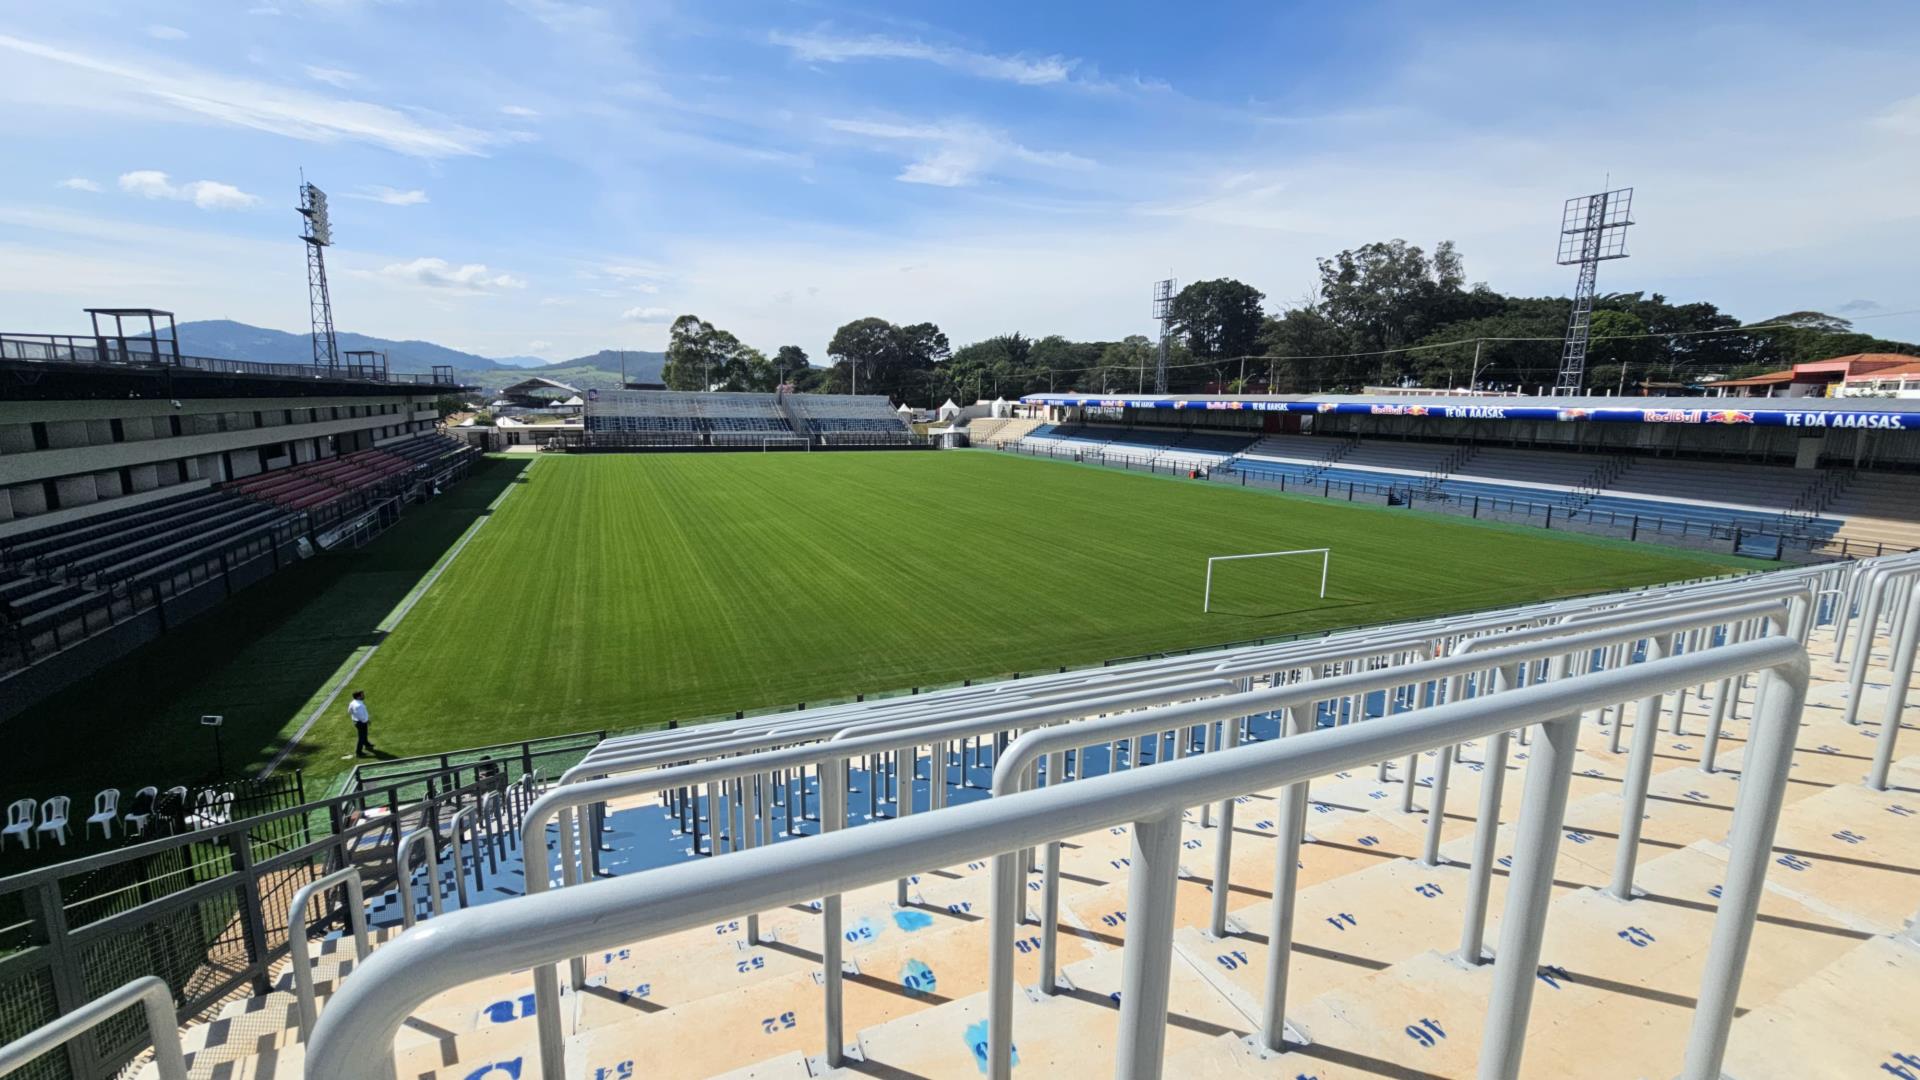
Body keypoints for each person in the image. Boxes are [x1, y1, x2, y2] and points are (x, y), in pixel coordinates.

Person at [348, 690, 374, 756]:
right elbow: (361, 716)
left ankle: (366, 744)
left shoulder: (353, 702)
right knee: (361, 737)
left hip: (357, 721)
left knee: (364, 734)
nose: (364, 696)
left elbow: (349, 711)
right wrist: (367, 720)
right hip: (361, 722)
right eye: (362, 695)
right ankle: (358, 752)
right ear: (358, 697)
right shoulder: (359, 705)